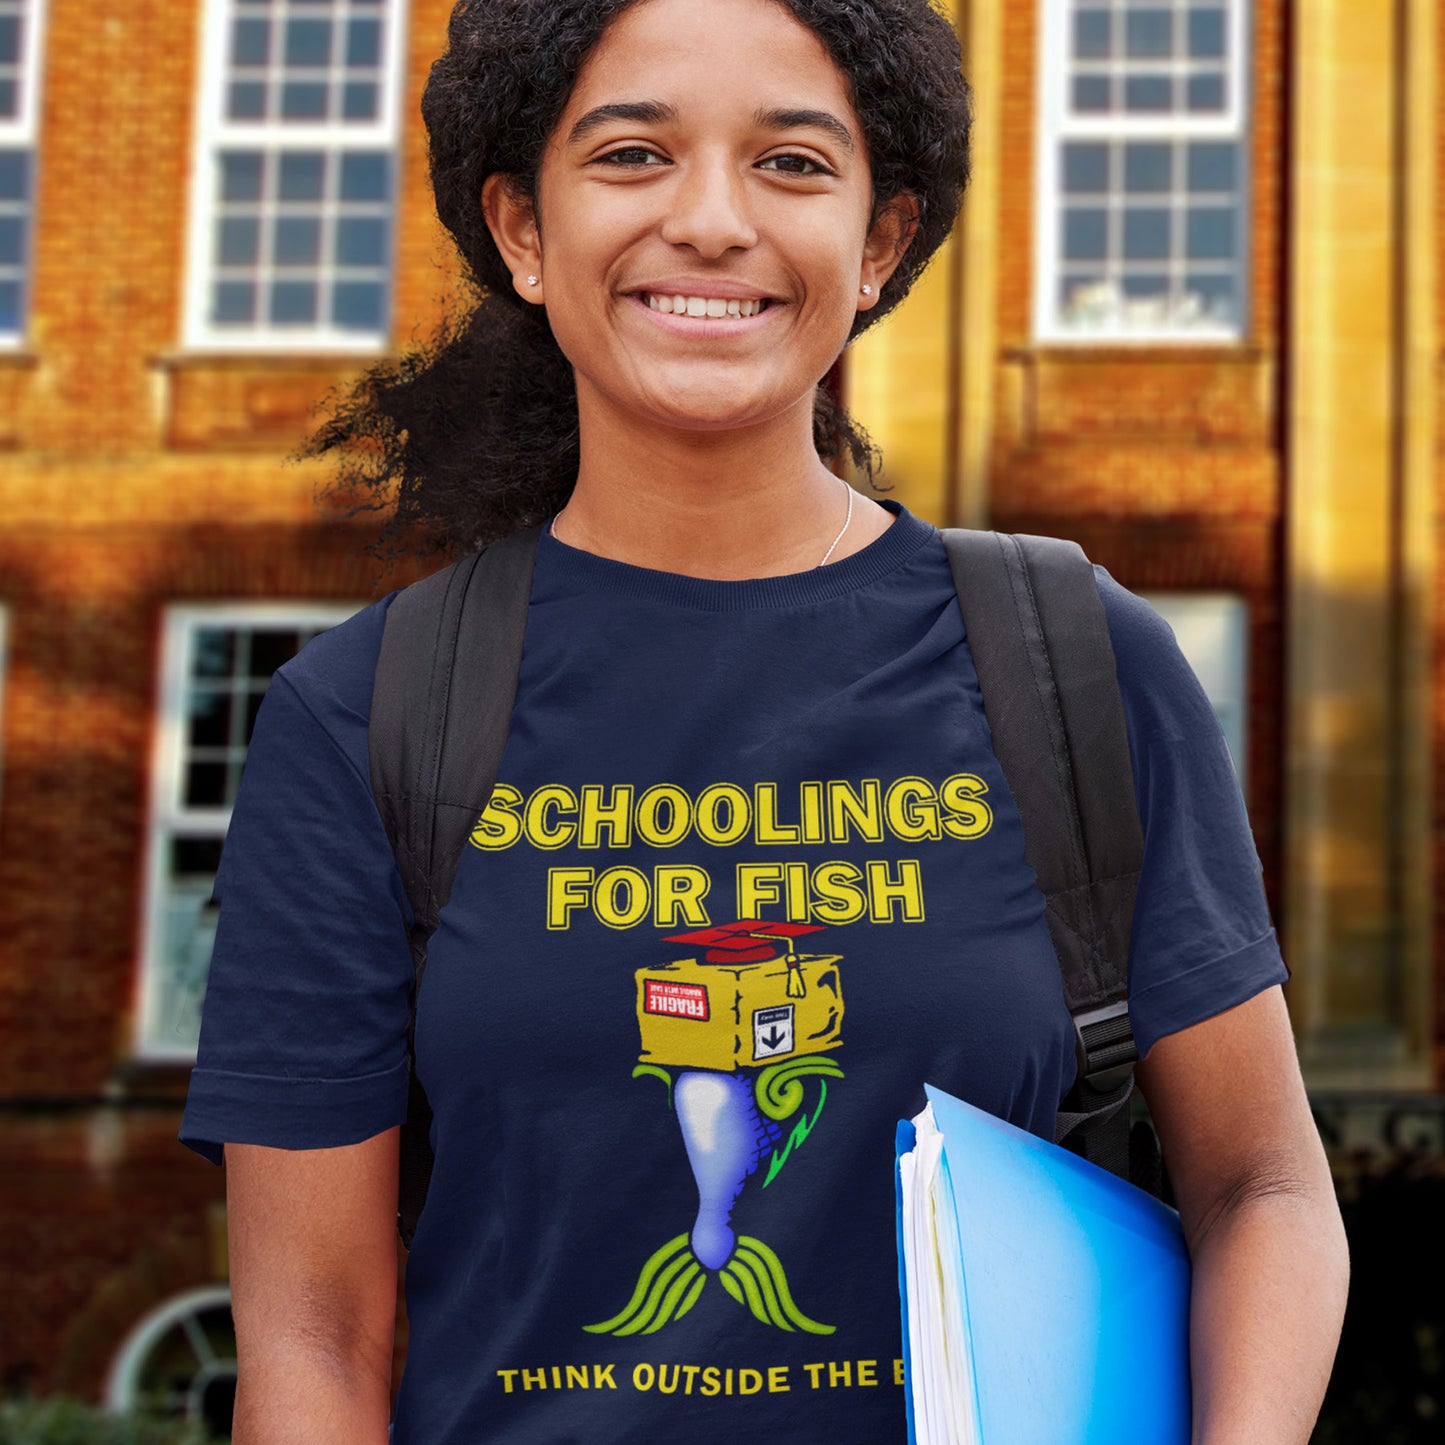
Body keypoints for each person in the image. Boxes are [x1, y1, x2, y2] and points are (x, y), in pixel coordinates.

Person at [179, 1, 1349, 1441]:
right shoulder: (362, 713)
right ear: (522, 232)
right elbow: (313, 1327)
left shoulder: (1072, 661)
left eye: (792, 164)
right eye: (629, 155)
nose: (711, 220)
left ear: (878, 244)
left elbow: (1264, 1190)